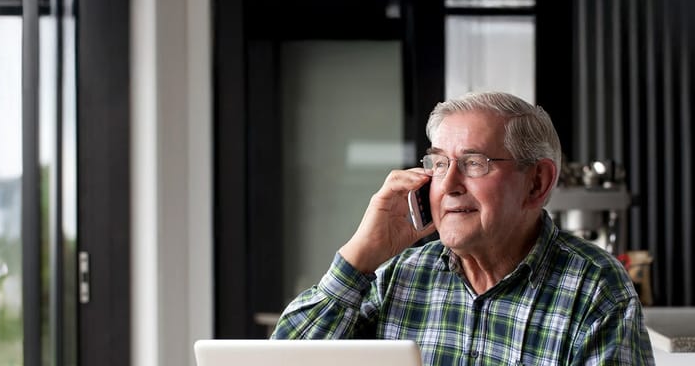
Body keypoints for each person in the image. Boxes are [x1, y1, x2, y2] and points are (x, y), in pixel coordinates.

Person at [271, 92, 654, 365]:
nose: (449, 184)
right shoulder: (401, 275)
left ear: (537, 182)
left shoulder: (596, 289)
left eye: (474, 163)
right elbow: (280, 362)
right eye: (439, 164)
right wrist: (359, 257)